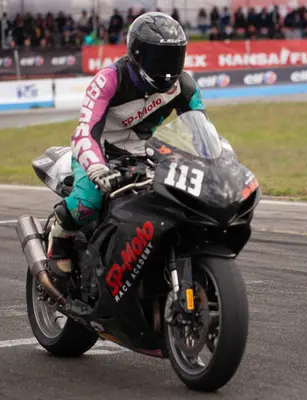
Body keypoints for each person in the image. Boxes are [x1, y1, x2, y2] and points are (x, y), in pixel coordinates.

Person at [47, 12, 206, 290]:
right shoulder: (109, 79)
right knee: (89, 201)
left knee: (178, 198)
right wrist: (96, 168)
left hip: (143, 152)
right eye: (158, 58)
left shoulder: (184, 84)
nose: (167, 68)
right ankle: (59, 239)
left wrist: (214, 164)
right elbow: (86, 130)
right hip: (99, 151)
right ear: (136, 54)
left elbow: (202, 132)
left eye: (173, 58)